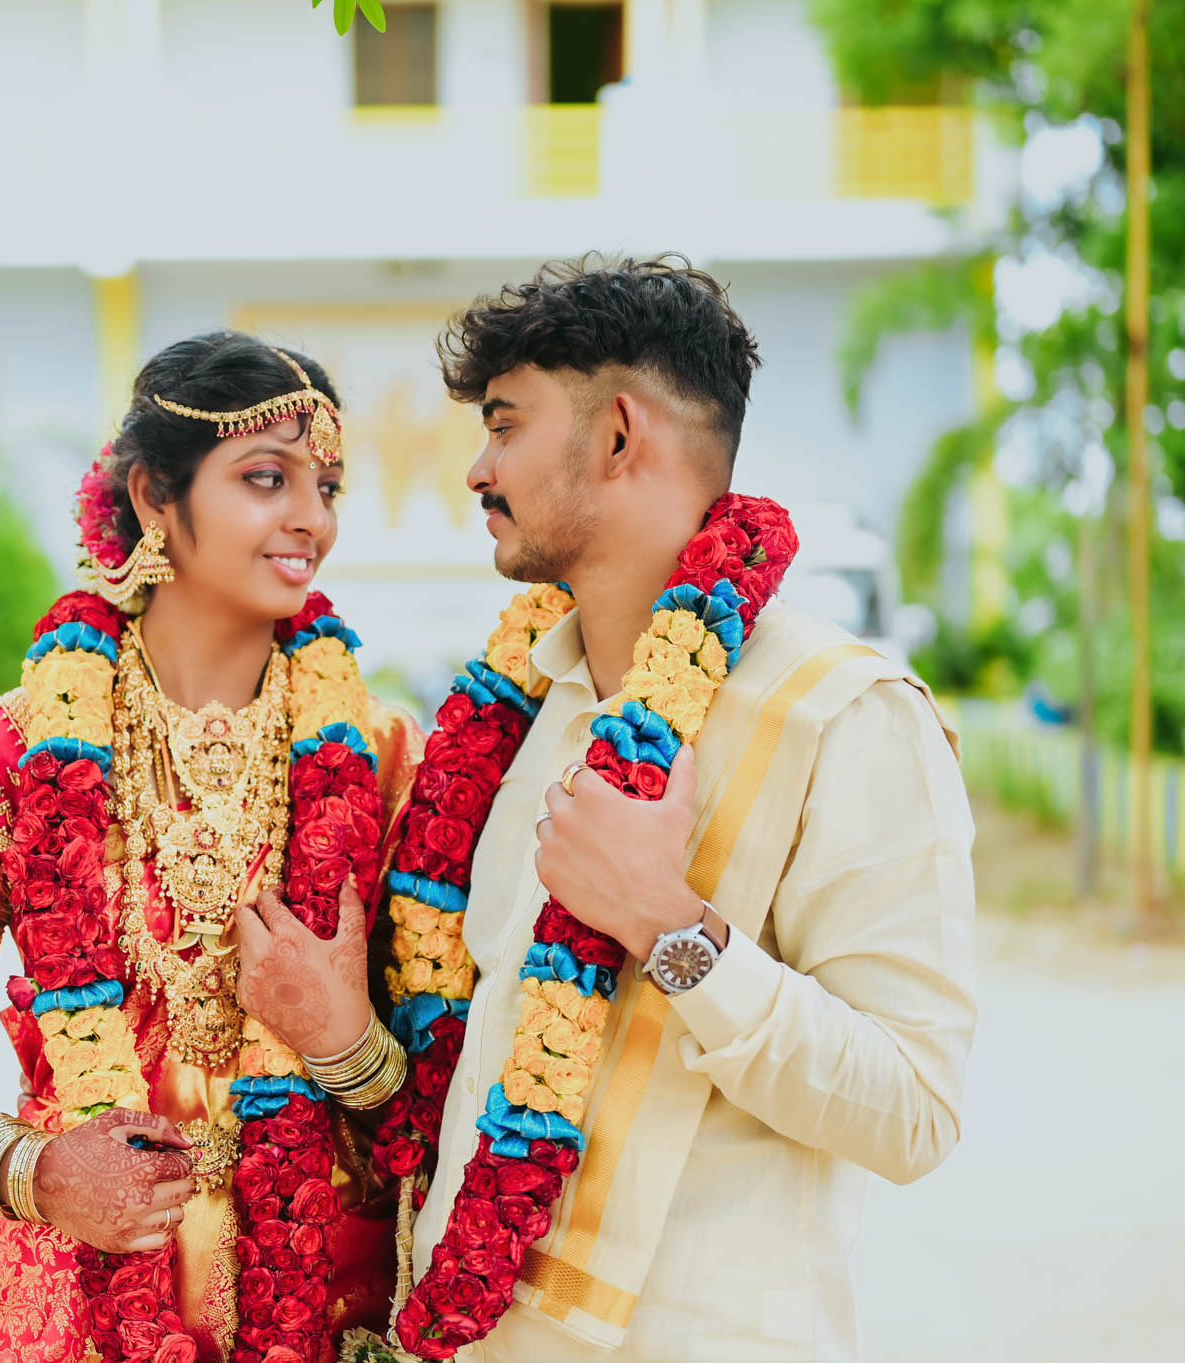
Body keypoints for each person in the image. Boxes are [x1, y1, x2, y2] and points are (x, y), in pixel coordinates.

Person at [367, 258, 977, 1362]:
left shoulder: (842, 715)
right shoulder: (521, 709)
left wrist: (671, 929)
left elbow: (913, 1110)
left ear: (616, 437)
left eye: (504, 425)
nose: (474, 468)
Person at [0, 332, 424, 1363]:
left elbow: (438, 1077)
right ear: (155, 496)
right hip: (74, 1298)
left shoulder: (380, 754)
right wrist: (37, 1174)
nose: (311, 517)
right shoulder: (10, 745)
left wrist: (345, 1041)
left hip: (318, 1290)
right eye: (266, 479)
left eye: (327, 485)